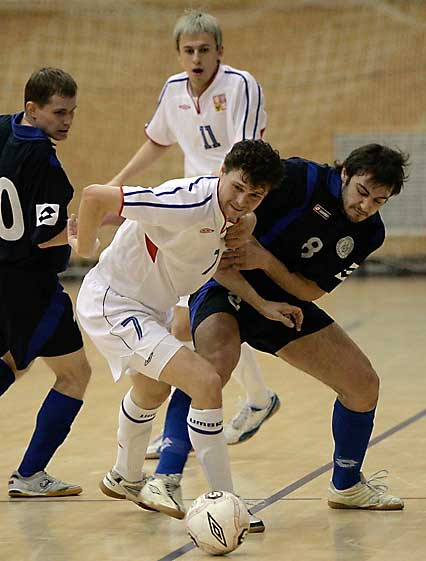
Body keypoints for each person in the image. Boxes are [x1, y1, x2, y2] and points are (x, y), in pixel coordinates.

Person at [74, 140, 302, 531]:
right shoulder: (183, 201)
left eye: (255, 195)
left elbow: (213, 266)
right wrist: (84, 245)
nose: (243, 200)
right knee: (206, 381)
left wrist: (262, 304)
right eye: (238, 187)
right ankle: (227, 502)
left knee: (152, 392)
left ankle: (124, 477)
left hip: (149, 307)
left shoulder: (230, 218)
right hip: (114, 304)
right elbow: (95, 196)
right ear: (222, 172)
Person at [188, 143, 409, 510]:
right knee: (214, 368)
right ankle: (171, 470)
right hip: (226, 286)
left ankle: (347, 486)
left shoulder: (370, 233)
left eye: (379, 201)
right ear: (344, 174)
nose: (366, 206)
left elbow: (311, 291)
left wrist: (264, 261)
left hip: (287, 306)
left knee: (363, 384)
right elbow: (231, 199)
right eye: (363, 193)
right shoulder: (299, 177)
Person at [108, 10, 280, 461]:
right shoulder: (172, 90)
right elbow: (157, 141)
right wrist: (116, 184)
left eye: (205, 49)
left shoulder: (240, 85)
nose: (197, 57)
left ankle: (180, 434)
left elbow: (248, 157)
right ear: (179, 54)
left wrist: (243, 220)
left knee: (192, 320)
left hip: (230, 209)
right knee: (199, 318)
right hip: (193, 212)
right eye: (189, 50)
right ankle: (258, 400)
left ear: (220, 51)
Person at [0, 68, 91, 497]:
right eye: (59, 113)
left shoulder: (3, 128)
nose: (67, 121)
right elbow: (44, 237)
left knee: (71, 370)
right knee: (19, 367)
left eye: (72, 112)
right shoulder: (48, 167)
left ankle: (32, 475)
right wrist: (80, 231)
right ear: (32, 109)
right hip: (31, 287)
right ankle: (30, 475)